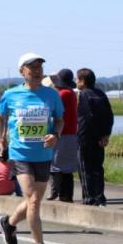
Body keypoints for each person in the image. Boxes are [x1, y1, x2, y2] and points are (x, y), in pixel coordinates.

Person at [0, 52, 64, 244]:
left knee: (33, 201)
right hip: (20, 154)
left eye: (39, 67)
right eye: (31, 67)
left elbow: (60, 120)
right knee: (33, 200)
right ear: (21, 71)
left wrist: (56, 135)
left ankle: (9, 222)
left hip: (43, 154)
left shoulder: (52, 96)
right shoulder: (11, 95)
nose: (36, 70)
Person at [76, 67, 114, 206]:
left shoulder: (84, 94)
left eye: (77, 79)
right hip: (100, 139)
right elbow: (110, 115)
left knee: (85, 169)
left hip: (85, 137)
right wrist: (105, 135)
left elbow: (89, 117)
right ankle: (100, 198)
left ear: (82, 81)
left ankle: (89, 199)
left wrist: (99, 135)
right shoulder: (101, 94)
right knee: (97, 168)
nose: (76, 82)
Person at [46, 68, 79, 203]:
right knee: (65, 167)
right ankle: (65, 195)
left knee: (57, 165)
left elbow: (52, 110)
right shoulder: (70, 92)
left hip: (63, 134)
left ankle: (58, 192)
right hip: (70, 134)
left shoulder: (63, 94)